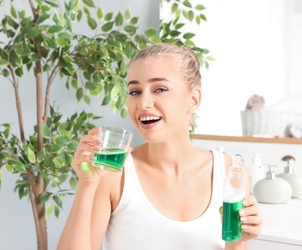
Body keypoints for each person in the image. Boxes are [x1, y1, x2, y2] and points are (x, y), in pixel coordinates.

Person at [57, 43, 262, 250]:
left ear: (193, 99)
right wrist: (87, 185)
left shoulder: (229, 171)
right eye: (135, 91)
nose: (143, 102)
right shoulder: (113, 174)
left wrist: (238, 239)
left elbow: (235, 244)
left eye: (160, 89)